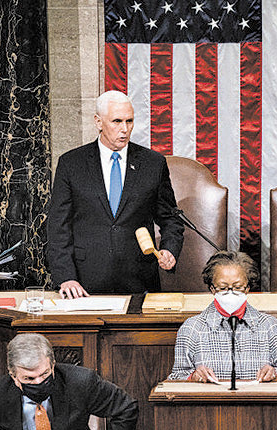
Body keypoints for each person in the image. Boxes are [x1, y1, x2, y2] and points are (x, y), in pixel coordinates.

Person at [47, 90, 184, 298]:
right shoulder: (71, 164)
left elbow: (171, 219)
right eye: (117, 121)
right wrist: (66, 277)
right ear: (98, 122)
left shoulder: (153, 164)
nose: (124, 129)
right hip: (84, 283)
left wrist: (169, 249)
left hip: (139, 282)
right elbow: (58, 227)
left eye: (129, 121)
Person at [0, 333, 138, 430]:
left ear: (53, 364)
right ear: (13, 375)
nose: (39, 382)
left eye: (44, 374)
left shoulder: (80, 382)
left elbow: (126, 408)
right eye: (29, 378)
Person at [168, 251, 277, 382]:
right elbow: (176, 377)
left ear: (247, 288)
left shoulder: (270, 325)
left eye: (237, 287)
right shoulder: (191, 328)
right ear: (212, 289)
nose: (230, 293)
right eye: (222, 288)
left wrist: (275, 374)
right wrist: (193, 376)